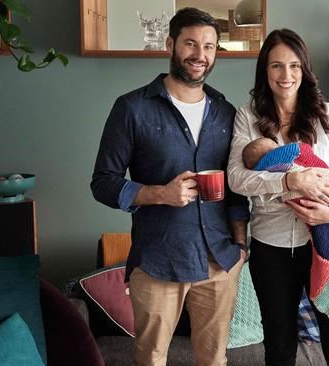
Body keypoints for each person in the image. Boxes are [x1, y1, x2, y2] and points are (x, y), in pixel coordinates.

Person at [91, 7, 249, 366]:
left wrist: (240, 246)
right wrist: (158, 193)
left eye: (209, 46)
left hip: (220, 260)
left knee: (214, 360)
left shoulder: (226, 113)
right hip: (159, 259)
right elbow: (102, 182)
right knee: (151, 359)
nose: (200, 55)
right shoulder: (132, 108)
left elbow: (237, 188)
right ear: (170, 44)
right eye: (191, 43)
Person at [227, 29, 329, 366]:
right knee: (279, 349)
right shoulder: (247, 117)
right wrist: (290, 179)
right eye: (277, 66)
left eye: (294, 66)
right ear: (265, 71)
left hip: (324, 247)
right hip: (271, 251)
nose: (286, 75)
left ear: (305, 70)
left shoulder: (326, 115)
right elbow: (236, 179)